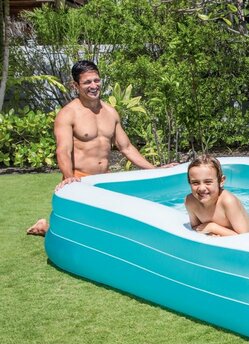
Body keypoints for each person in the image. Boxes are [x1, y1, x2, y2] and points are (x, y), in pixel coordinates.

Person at [27, 60, 174, 236]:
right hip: (79, 179)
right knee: (81, 234)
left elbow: (126, 147)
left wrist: (155, 169)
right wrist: (69, 178)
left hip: (104, 179)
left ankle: (47, 226)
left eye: (96, 80)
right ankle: (46, 227)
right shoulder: (68, 114)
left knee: (110, 228)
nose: (94, 86)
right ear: (75, 86)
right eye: (87, 82)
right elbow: (63, 150)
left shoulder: (110, 112)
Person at [185, 155, 249, 236]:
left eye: (208, 182)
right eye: (195, 183)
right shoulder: (190, 201)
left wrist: (213, 228)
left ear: (221, 181)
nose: (201, 188)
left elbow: (244, 238)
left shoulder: (228, 201)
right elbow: (196, 228)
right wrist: (211, 233)